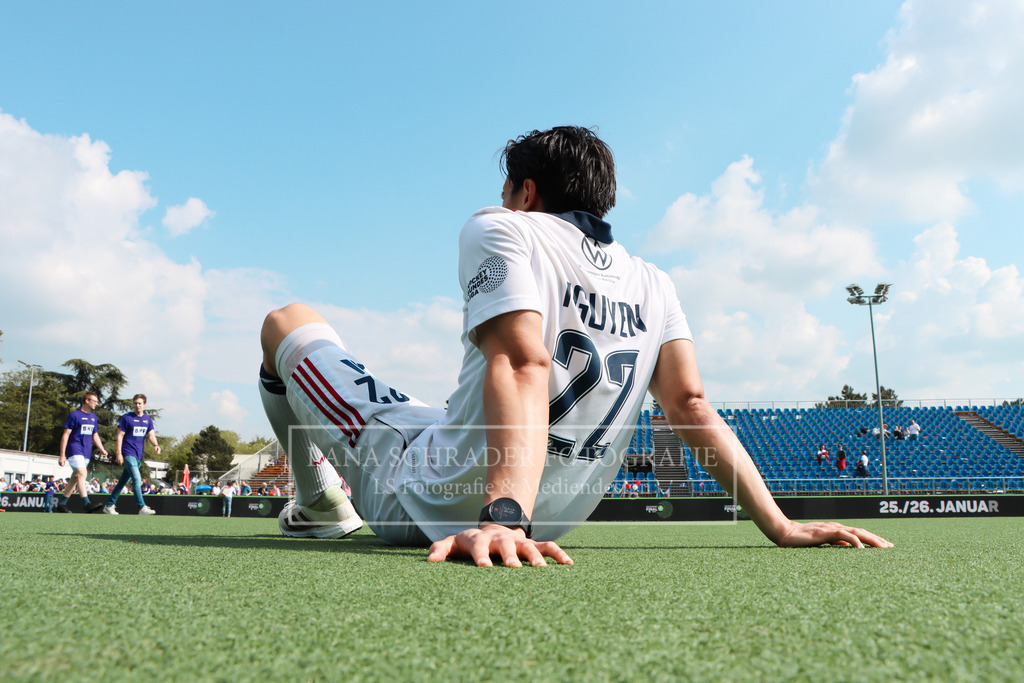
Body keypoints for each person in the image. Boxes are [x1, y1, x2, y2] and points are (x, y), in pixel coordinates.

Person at [257, 125, 892, 566]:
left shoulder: (503, 227)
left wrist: (503, 519)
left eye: (511, 192)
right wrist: (778, 524)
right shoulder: (655, 281)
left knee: (285, 321)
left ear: (525, 192)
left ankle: (320, 505)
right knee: (437, 408)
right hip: (554, 518)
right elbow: (692, 407)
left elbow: (521, 360)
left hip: (429, 495)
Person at [103, 394, 160, 516]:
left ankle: (109, 505)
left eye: (139, 403)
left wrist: (156, 445)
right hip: (128, 453)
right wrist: (119, 453)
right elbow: (119, 436)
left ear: (144, 404)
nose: (137, 405)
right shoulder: (127, 418)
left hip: (138, 456)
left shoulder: (147, 420)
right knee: (136, 478)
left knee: (122, 482)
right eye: (135, 403)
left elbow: (151, 435)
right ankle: (142, 507)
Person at [56, 392, 109, 513]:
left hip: (86, 452)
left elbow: (95, 435)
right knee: (82, 473)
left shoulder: (93, 418)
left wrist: (101, 448)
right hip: (74, 449)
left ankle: (61, 504)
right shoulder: (74, 415)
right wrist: (62, 455)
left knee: (75, 477)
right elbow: (65, 435)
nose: (96, 404)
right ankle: (87, 503)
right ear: (86, 401)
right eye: (94, 401)